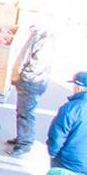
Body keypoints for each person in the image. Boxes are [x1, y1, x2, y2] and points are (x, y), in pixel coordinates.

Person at [7, 22, 54, 157]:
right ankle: (22, 137)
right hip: (28, 82)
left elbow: (36, 65)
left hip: (31, 83)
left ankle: (24, 143)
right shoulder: (38, 36)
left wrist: (23, 76)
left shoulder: (44, 41)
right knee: (22, 111)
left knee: (26, 113)